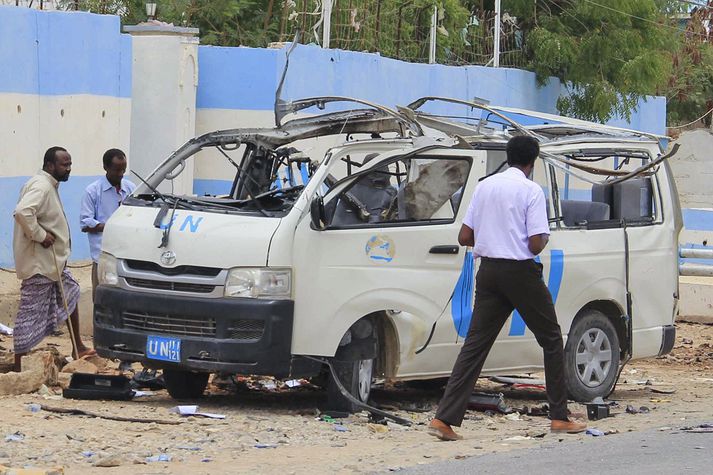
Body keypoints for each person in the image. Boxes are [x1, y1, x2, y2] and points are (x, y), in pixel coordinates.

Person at [428, 136, 587, 441]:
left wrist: (493, 237)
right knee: (552, 339)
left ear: (508, 156)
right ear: (533, 162)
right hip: (520, 272)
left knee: (475, 346)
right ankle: (559, 417)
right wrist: (526, 240)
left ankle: (444, 419)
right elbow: (536, 242)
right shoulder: (531, 191)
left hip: (488, 272)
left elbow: (464, 236)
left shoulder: (485, 186)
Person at [12, 146, 95, 371]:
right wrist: (40, 235)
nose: (68, 169)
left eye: (69, 164)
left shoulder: (48, 184)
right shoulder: (41, 186)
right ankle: (19, 365)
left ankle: (78, 346)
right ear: (50, 165)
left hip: (53, 262)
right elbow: (22, 212)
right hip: (39, 262)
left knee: (72, 291)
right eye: (64, 164)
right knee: (29, 314)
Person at [79, 149, 136, 299]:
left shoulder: (131, 189)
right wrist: (112, 228)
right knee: (102, 299)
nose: (121, 174)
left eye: (123, 169)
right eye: (117, 170)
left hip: (128, 255)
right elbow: (85, 223)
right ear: (105, 167)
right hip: (104, 257)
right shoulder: (93, 191)